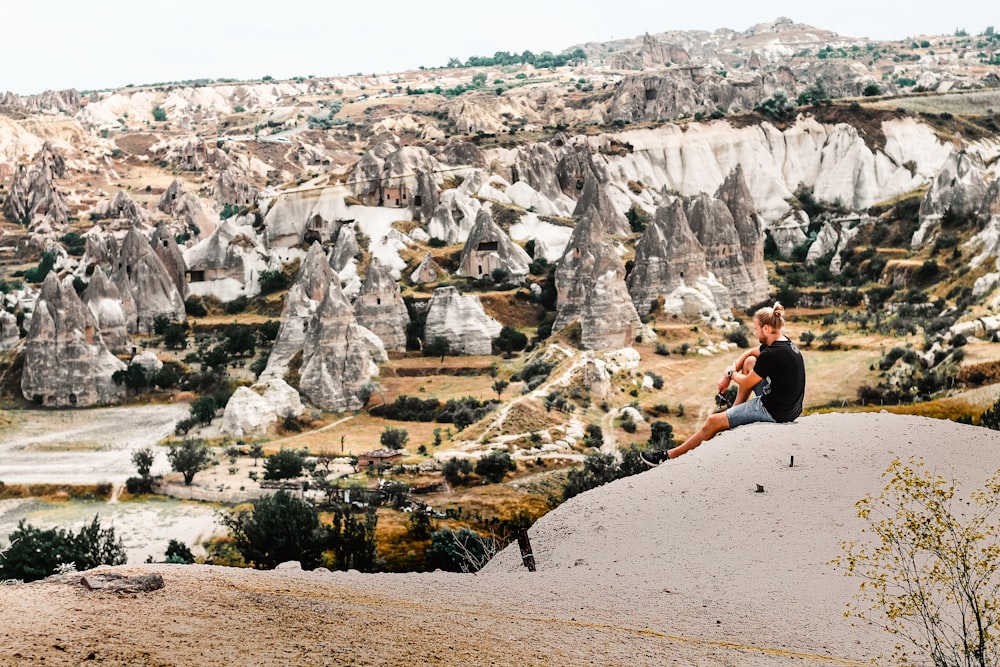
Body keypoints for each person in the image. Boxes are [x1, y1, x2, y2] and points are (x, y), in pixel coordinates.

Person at [641, 302, 806, 466]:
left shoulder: (772, 354)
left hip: (775, 411)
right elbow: (750, 353)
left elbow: (748, 382)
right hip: (792, 407)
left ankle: (668, 457)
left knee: (713, 422)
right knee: (749, 362)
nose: (755, 333)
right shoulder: (783, 342)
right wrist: (727, 376)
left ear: (766, 328)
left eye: (756, 329)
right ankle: (734, 412)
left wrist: (731, 374)